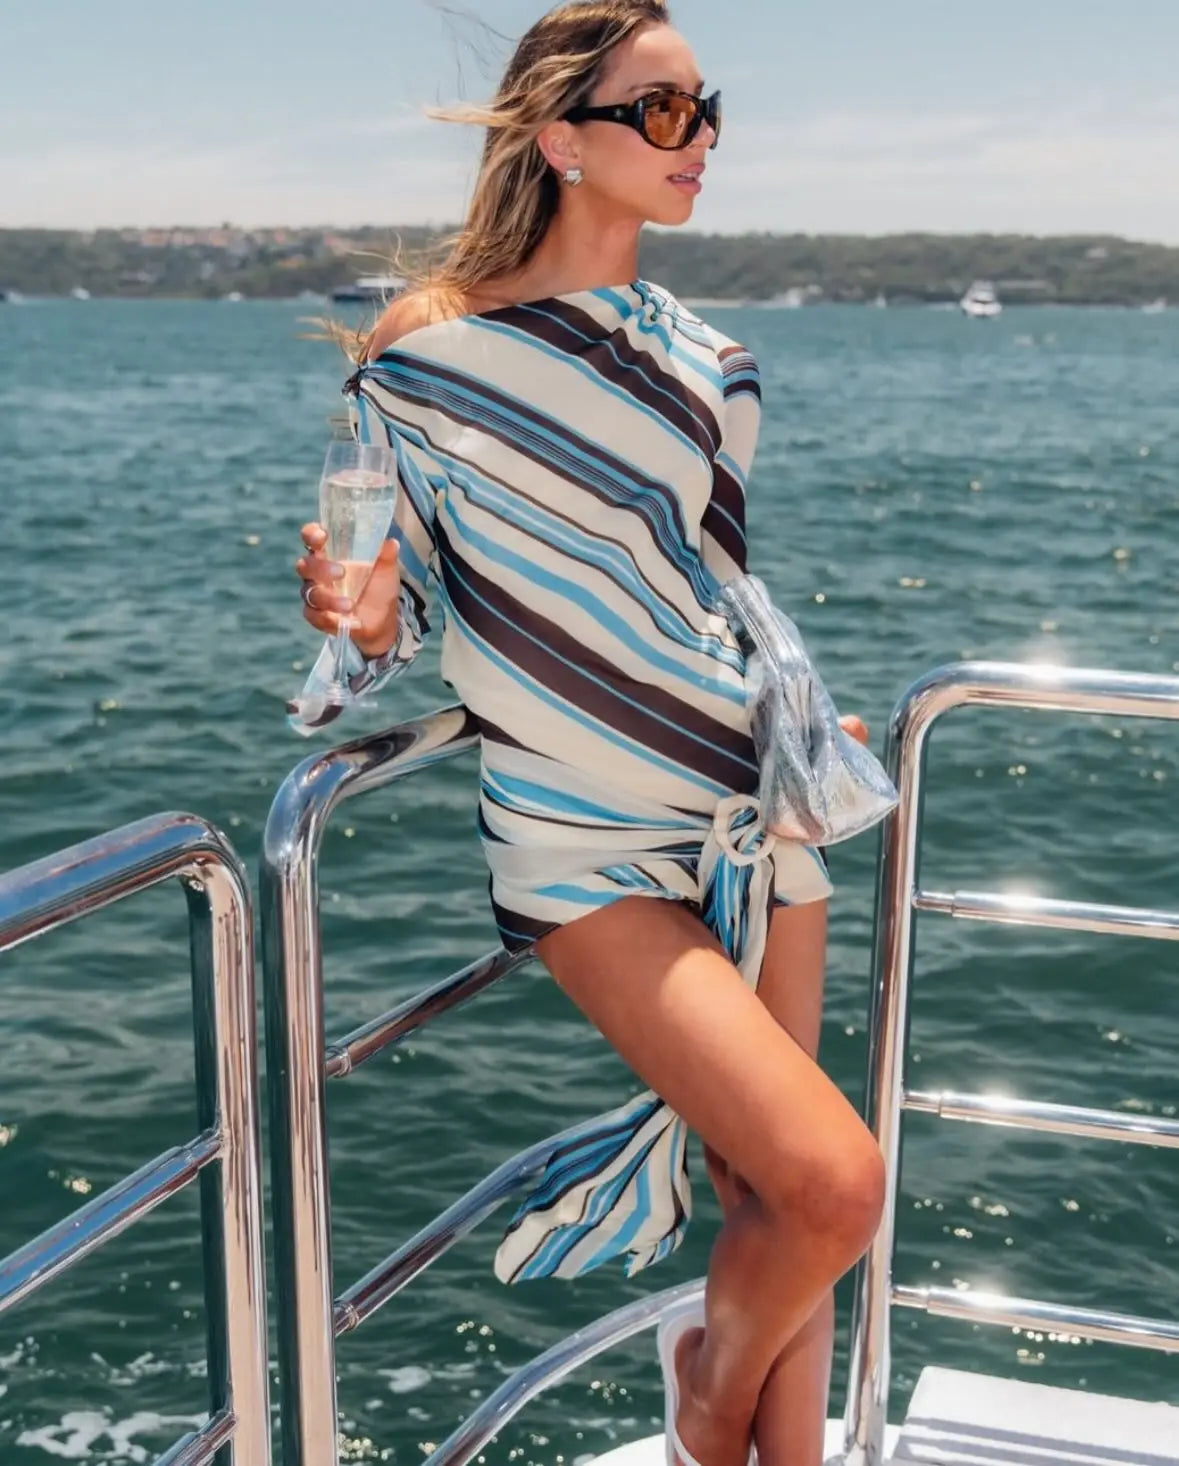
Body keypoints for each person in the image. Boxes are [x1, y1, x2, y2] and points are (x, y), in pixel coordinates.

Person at [294, 4, 884, 1464]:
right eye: (663, 113)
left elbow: (715, 578)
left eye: (708, 111)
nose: (699, 144)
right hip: (580, 841)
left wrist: (798, 719)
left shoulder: (719, 362)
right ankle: (702, 1386)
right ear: (562, 139)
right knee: (833, 1185)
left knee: (776, 1196)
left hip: (759, 809)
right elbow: (402, 584)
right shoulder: (429, 347)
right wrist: (362, 621)